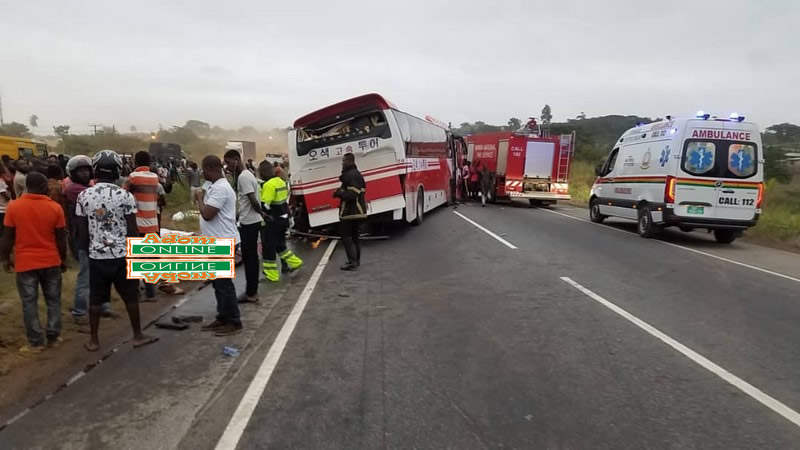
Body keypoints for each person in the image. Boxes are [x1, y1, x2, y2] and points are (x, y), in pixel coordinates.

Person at [76, 150, 158, 352]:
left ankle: (94, 340)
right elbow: (132, 229)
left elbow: (81, 229)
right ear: (118, 170)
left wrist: (84, 251)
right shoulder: (125, 196)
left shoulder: (84, 196)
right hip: (121, 255)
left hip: (97, 256)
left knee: (95, 300)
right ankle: (138, 335)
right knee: (130, 298)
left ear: (95, 170)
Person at [0, 172, 67, 354]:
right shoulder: (55, 208)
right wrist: (63, 259)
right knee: (53, 300)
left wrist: (5, 258)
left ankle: (36, 342)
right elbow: (61, 238)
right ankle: (54, 337)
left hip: (25, 263)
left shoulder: (14, 207)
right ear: (44, 185)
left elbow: (8, 237)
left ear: (27, 186)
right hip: (51, 260)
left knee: (29, 303)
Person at [195, 155, 242, 336]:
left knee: (224, 284)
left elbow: (207, 214)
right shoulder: (216, 187)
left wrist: (200, 198)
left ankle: (233, 321)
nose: (202, 173)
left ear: (209, 168)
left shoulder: (221, 188)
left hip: (223, 242)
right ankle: (223, 316)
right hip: (215, 241)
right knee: (217, 283)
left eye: (203, 170)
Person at [64, 155, 113, 324]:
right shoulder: (74, 189)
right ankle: (79, 312)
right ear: (72, 173)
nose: (85, 174)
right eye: (80, 171)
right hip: (84, 239)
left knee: (102, 275)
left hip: (97, 237)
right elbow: (101, 205)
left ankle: (104, 307)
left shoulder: (87, 187)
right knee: (85, 277)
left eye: (87, 170)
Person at [223, 150, 262, 303]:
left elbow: (252, 199)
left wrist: (261, 213)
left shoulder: (244, 177)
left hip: (249, 222)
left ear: (236, 160)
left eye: (228, 162)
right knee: (251, 258)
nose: (227, 166)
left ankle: (251, 292)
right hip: (250, 220)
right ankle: (252, 290)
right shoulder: (247, 175)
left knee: (250, 258)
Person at [124, 151, 162, 301]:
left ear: (135, 162)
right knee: (149, 259)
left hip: (138, 224)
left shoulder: (133, 177)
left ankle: (138, 293)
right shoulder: (154, 178)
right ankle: (151, 292)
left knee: (136, 259)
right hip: (153, 223)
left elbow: (123, 193)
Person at [259, 161, 303, 281]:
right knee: (280, 245)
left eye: (260, 174)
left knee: (268, 248)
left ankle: (272, 275)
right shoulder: (281, 182)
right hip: (283, 218)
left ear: (263, 173)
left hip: (273, 220)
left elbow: (266, 205)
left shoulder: (268, 185)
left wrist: (262, 210)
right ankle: (295, 262)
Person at [333, 153, 367, 271]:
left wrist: (339, 193)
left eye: (344, 161)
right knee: (354, 237)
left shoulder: (351, 175)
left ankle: (352, 262)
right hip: (357, 211)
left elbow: (352, 194)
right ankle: (356, 261)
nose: (342, 163)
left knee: (346, 236)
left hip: (351, 211)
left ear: (349, 161)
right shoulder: (355, 174)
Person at [0, 170, 10, 237]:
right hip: (2, 209)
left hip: (3, 209)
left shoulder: (2, 181)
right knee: (3, 232)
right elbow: (6, 196)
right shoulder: (1, 182)